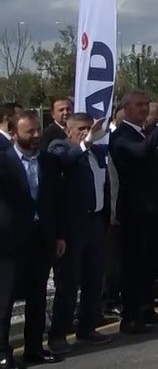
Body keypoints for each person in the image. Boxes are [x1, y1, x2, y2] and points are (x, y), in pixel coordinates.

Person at [109, 90, 158, 334]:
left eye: (146, 104)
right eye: (138, 105)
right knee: (134, 267)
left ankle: (147, 309)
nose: (143, 108)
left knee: (150, 264)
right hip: (135, 213)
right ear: (126, 108)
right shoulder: (121, 136)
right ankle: (130, 317)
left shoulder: (145, 133)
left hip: (155, 211)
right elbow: (139, 153)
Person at [1, 111, 65, 369]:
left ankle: (34, 348)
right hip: (10, 240)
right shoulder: (3, 163)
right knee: (5, 300)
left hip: (41, 237)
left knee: (37, 296)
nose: (36, 135)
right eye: (29, 132)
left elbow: (54, 201)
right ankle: (3, 353)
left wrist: (59, 235)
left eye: (38, 130)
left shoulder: (48, 161)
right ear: (14, 134)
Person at [46, 113, 114, 354]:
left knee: (94, 279)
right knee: (68, 282)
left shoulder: (95, 152)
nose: (86, 133)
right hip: (73, 226)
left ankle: (87, 327)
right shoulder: (60, 147)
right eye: (81, 129)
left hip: (95, 221)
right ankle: (58, 334)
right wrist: (85, 142)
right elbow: (62, 162)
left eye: (89, 128)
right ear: (69, 131)